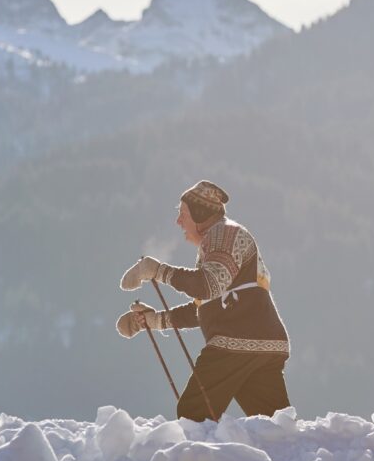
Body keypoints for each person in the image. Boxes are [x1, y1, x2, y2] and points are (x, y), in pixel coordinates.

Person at [116, 180, 291, 421]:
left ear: (200, 215)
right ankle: (289, 455)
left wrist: (157, 270)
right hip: (266, 343)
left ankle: (200, 457)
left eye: (183, 214)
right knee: (273, 425)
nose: (179, 222)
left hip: (235, 341)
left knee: (193, 415)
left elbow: (208, 286)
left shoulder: (223, 234)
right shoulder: (221, 240)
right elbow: (204, 306)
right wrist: (155, 320)